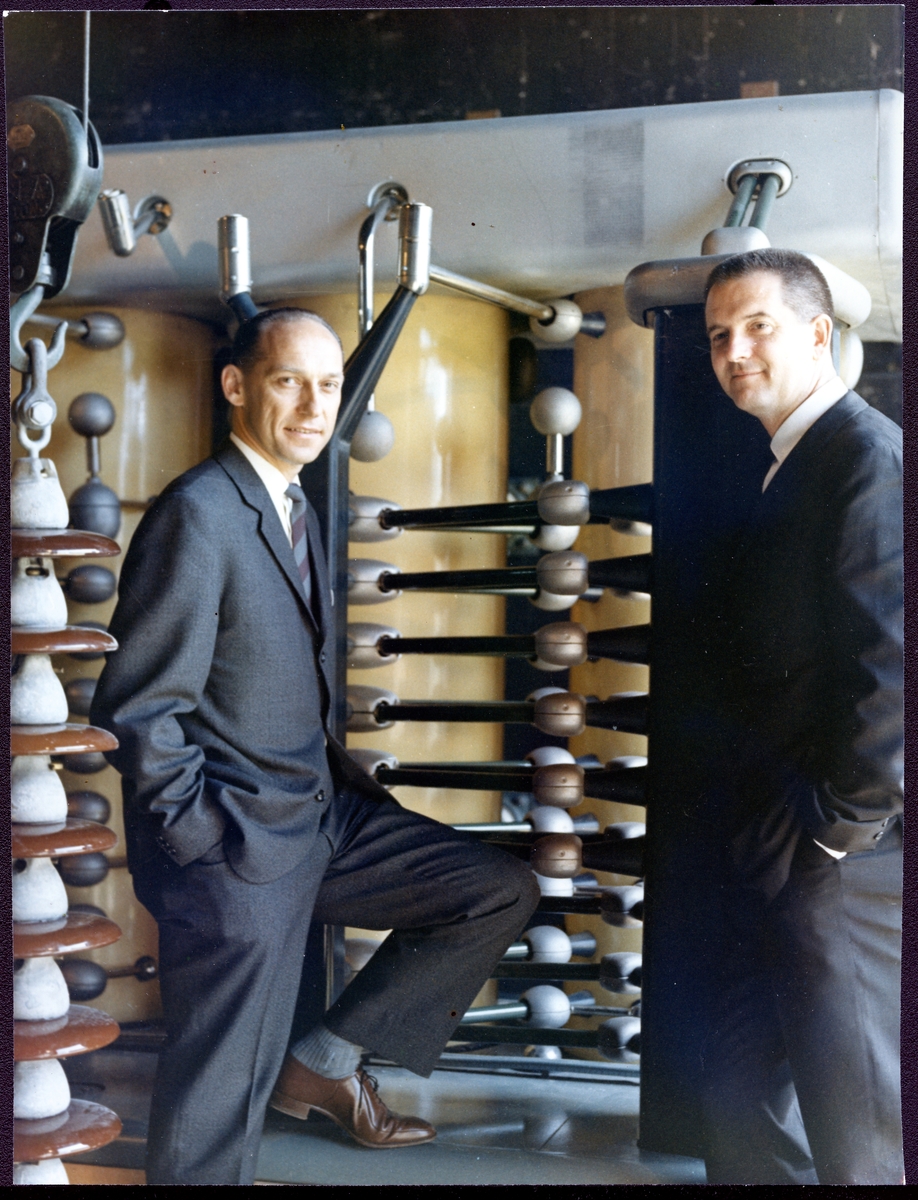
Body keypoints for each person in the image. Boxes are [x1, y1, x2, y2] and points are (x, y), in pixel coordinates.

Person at [90, 307, 541, 1186]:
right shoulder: (199, 513)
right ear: (237, 386)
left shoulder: (290, 503)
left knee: (494, 890)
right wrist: (204, 845)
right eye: (288, 381)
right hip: (237, 844)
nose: (312, 405)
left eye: (327, 385)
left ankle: (326, 1061)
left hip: (322, 818)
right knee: (217, 1101)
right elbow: (139, 709)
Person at [697, 249, 903, 1184]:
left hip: (833, 847)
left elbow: (892, 666)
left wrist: (840, 829)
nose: (735, 352)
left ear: (819, 335)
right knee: (737, 1109)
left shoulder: (866, 458)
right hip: (778, 834)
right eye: (719, 337)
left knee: (858, 1129)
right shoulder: (796, 458)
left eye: (758, 327)